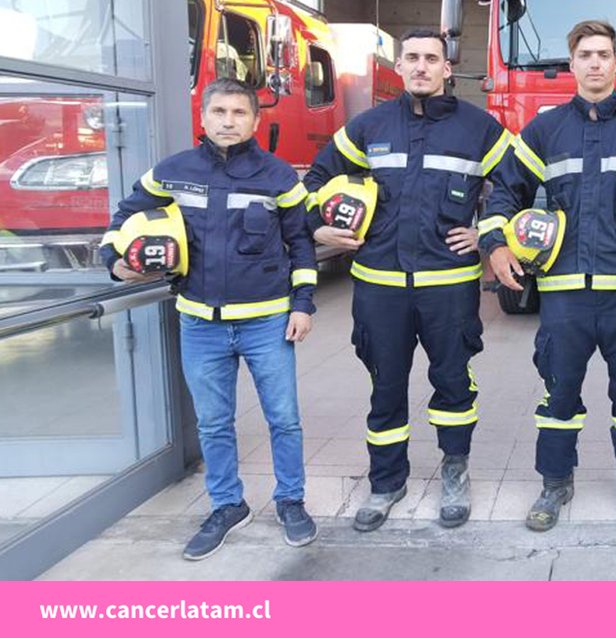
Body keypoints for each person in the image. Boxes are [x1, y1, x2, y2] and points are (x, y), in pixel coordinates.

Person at [100, 77, 318, 560]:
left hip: (267, 321)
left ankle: (291, 501)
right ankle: (226, 505)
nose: (228, 121)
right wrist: (112, 259)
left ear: (256, 121)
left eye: (239, 113)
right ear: (203, 117)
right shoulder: (171, 172)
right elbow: (125, 217)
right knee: (215, 423)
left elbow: (301, 242)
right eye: (219, 112)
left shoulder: (280, 176)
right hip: (200, 322)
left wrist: (303, 304)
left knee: (284, 419)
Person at [303, 29, 510, 532]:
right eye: (412, 57)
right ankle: (386, 482)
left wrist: (486, 231)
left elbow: (515, 183)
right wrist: (318, 221)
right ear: (400, 65)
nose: (421, 66)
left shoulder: (480, 128)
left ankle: (455, 473)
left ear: (447, 69)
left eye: (431, 59)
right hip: (379, 285)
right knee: (385, 388)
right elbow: (313, 181)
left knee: (454, 383)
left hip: (449, 285)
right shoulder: (367, 126)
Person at [480, 20, 616, 532]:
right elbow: (504, 188)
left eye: (603, 54)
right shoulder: (545, 130)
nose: (594, 62)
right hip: (565, 296)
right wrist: (496, 245)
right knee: (559, 394)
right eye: (585, 54)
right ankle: (554, 483)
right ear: (572, 65)